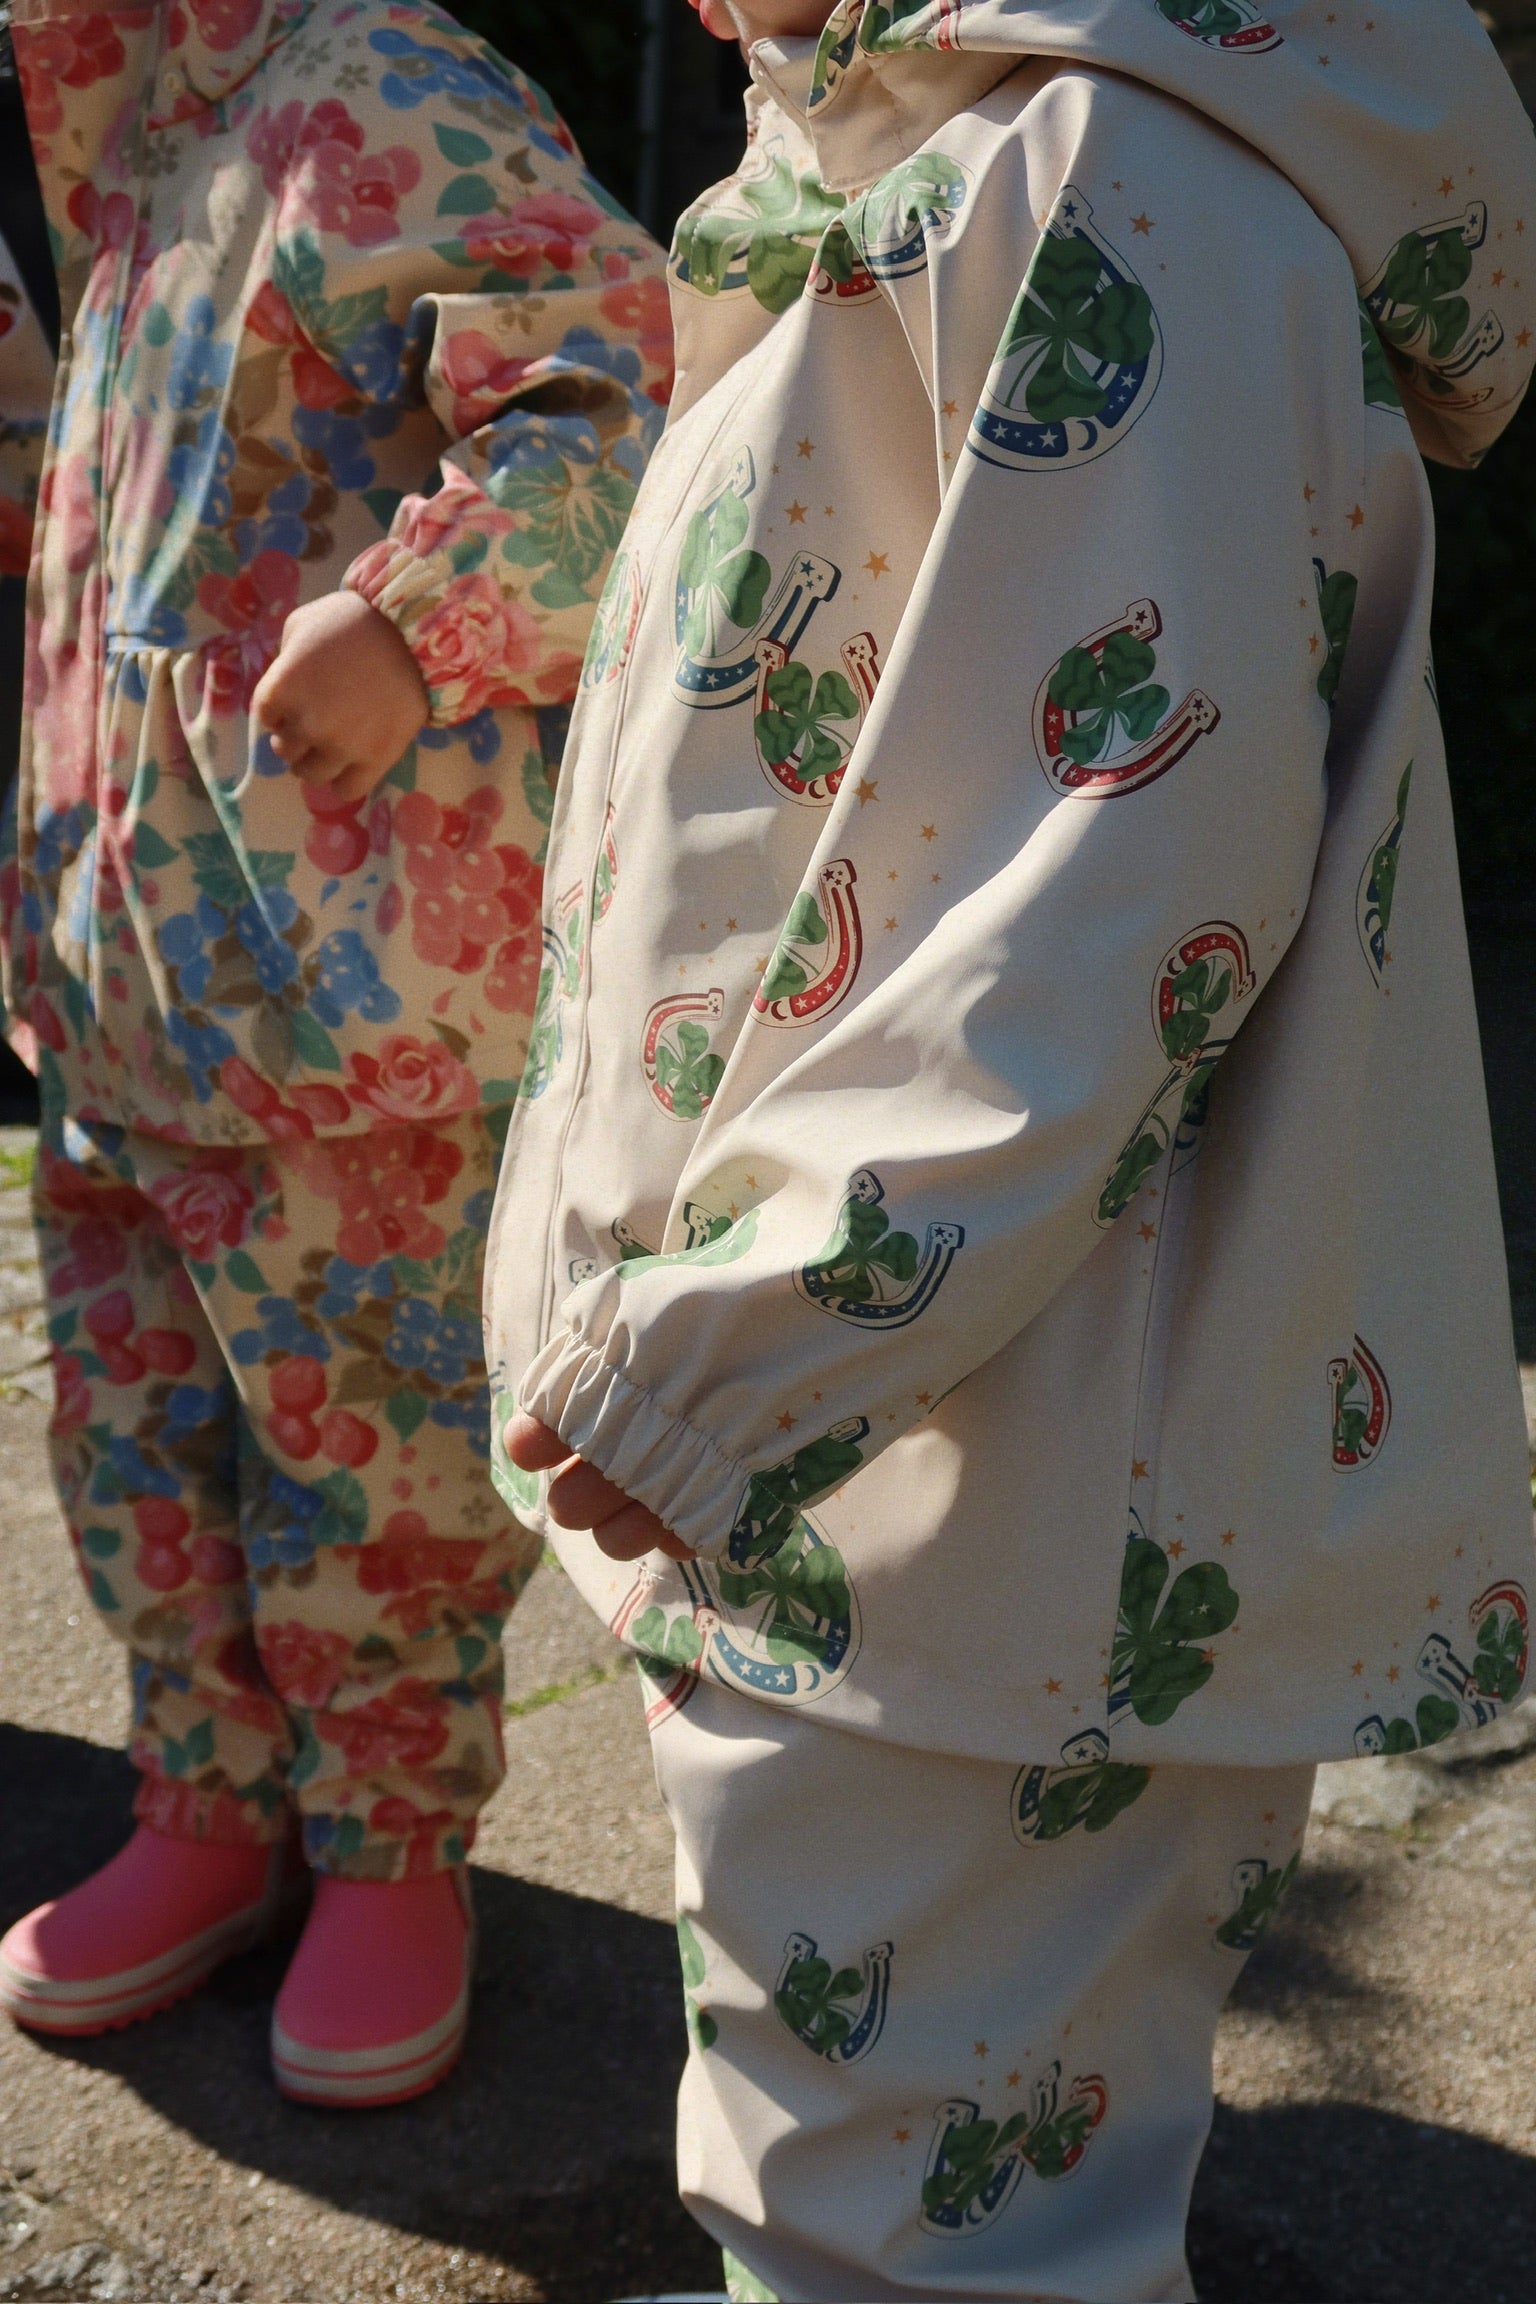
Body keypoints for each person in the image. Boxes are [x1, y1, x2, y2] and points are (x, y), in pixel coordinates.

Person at [489, 0, 1536, 2291]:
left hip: (994, 1450)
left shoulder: (1105, 181)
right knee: (877, 2116)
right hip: (905, 1435)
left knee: (941, 2205)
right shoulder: (948, 165)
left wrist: (742, 1341)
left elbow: (1111, 875)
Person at [0, 0, 668, 2108]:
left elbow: (626, 393)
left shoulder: (377, 87)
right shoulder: (130, 147)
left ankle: (390, 1851)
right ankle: (204, 1802)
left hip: (343, 995)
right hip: (120, 980)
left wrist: (422, 619)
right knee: (132, 1428)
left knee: (372, 1461)